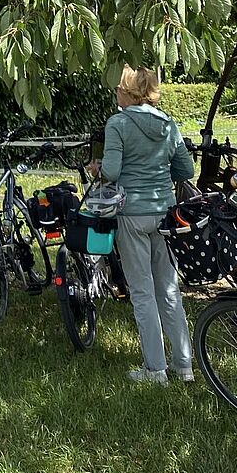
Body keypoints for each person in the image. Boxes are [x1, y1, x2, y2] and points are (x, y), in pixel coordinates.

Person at [95, 65, 195, 385]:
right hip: (164, 213)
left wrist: (98, 167)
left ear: (127, 91)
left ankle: (155, 369)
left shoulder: (119, 123)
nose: (115, 93)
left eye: (118, 88)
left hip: (131, 214)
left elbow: (111, 171)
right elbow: (186, 169)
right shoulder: (168, 123)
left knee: (142, 293)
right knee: (168, 289)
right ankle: (185, 365)